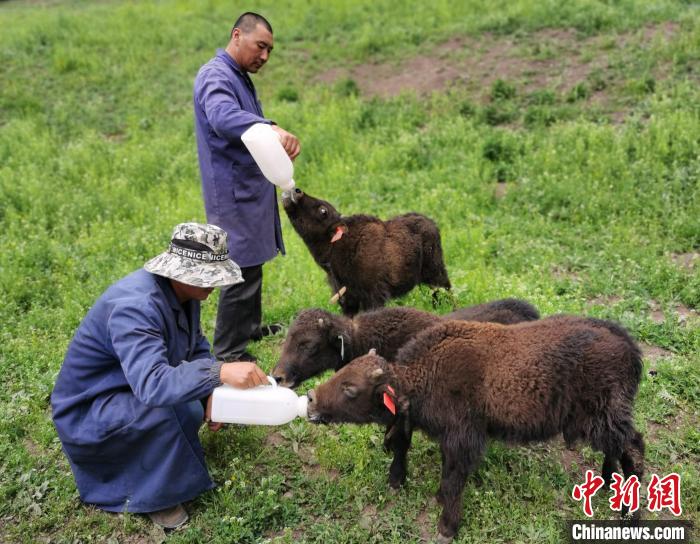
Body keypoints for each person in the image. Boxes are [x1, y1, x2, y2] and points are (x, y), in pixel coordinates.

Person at [51, 223, 269, 529]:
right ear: (182, 272)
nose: (215, 286)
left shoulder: (183, 295)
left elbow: (195, 349)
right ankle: (148, 493)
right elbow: (153, 386)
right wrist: (219, 371)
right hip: (90, 413)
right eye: (210, 277)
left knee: (190, 405)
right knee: (168, 410)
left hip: (124, 388)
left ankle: (157, 465)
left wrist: (211, 393)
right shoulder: (135, 307)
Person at [193, 11, 301, 363]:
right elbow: (223, 117)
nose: (265, 57)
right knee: (241, 267)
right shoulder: (215, 75)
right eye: (260, 46)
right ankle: (228, 350)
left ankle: (249, 326)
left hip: (247, 186)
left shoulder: (236, 73)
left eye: (270, 50)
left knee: (253, 261)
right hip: (232, 190)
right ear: (237, 35)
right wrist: (271, 128)